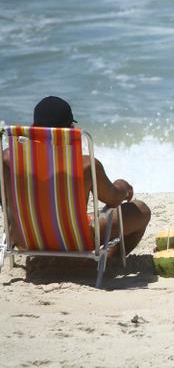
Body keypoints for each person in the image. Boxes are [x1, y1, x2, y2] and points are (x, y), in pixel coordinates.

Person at [1, 96, 151, 256]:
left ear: (33, 128)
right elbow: (113, 199)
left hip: (24, 239)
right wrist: (123, 186)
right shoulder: (86, 165)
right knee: (141, 210)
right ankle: (111, 259)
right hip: (75, 241)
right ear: (71, 129)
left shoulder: (7, 160)